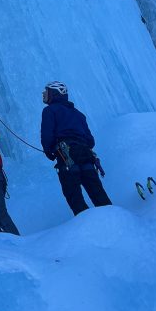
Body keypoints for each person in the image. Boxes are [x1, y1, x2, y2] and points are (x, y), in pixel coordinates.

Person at [40, 81, 112, 216]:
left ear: (54, 94)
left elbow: (47, 134)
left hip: (66, 155)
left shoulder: (49, 111)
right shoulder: (79, 114)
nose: (44, 94)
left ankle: (87, 226)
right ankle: (114, 220)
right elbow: (90, 141)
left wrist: (48, 150)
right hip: (86, 154)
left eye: (47, 91)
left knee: (74, 195)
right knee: (97, 192)